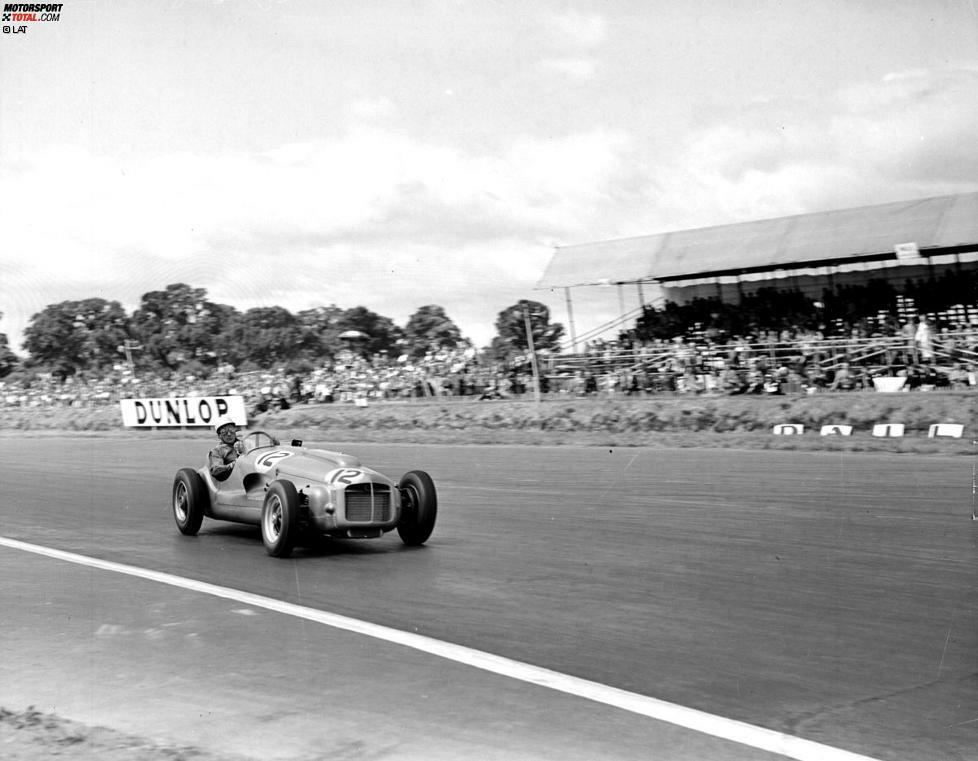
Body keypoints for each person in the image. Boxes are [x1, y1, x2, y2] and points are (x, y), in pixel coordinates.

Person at [209, 416, 244, 481]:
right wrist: (233, 464)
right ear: (219, 436)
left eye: (231, 429)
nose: (229, 434)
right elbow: (216, 470)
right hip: (234, 480)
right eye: (223, 431)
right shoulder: (217, 451)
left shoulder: (245, 443)